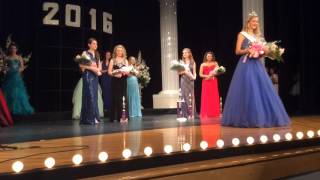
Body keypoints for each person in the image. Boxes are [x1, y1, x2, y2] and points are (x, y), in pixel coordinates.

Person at [221, 11, 290, 128]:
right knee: (248, 90)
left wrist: (266, 52)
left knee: (261, 91)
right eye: (253, 21)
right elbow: (237, 51)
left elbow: (262, 52)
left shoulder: (258, 37)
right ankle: (246, 118)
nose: (255, 23)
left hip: (257, 65)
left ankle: (264, 118)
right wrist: (248, 50)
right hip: (246, 64)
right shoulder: (242, 34)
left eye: (257, 22)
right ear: (248, 22)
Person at [2, 43, 34, 115]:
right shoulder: (7, 58)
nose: (13, 49)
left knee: (17, 92)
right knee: (9, 92)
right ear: (9, 49)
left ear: (16, 49)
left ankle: (18, 109)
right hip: (9, 75)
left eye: (14, 48)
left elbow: (22, 67)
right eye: (11, 48)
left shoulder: (19, 57)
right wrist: (6, 70)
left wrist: (18, 71)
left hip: (16, 76)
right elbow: (4, 67)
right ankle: (9, 110)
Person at [78, 38, 102, 125]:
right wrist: (92, 68)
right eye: (94, 43)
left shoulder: (97, 54)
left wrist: (97, 69)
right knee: (89, 95)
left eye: (96, 44)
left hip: (95, 77)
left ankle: (95, 117)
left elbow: (100, 67)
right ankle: (88, 118)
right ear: (89, 44)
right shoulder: (85, 53)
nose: (96, 45)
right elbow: (81, 65)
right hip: (88, 76)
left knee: (94, 96)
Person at [108, 45, 128, 122]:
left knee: (123, 98)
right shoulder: (112, 60)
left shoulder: (125, 60)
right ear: (115, 51)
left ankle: (123, 117)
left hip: (123, 81)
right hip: (115, 81)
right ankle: (114, 117)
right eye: (118, 50)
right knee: (115, 98)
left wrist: (125, 72)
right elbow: (109, 72)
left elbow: (127, 71)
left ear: (123, 51)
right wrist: (115, 74)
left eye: (121, 50)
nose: (119, 52)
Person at [199, 51, 220, 118]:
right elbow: (200, 74)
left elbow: (218, 72)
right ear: (206, 57)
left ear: (212, 57)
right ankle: (206, 112)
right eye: (208, 56)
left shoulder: (215, 63)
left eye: (211, 56)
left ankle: (214, 113)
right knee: (206, 97)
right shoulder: (202, 64)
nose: (209, 57)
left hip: (213, 81)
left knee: (213, 96)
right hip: (206, 81)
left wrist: (213, 74)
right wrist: (207, 76)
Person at [178, 48, 197, 119]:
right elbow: (179, 73)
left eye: (185, 53)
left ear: (189, 53)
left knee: (191, 96)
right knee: (184, 96)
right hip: (183, 80)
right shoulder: (181, 63)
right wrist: (185, 72)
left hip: (191, 80)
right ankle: (185, 114)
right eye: (183, 53)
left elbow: (195, 73)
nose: (184, 54)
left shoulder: (193, 62)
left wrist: (194, 77)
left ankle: (192, 114)